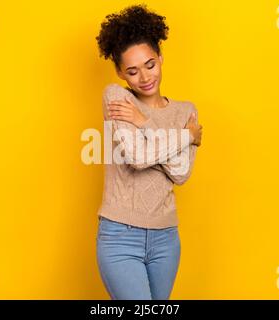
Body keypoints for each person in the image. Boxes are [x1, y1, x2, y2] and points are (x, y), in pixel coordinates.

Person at [95, 4, 203, 300]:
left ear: (161, 58)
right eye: (132, 70)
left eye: (150, 65)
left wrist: (144, 123)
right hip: (120, 237)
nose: (144, 77)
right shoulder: (117, 98)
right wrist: (185, 137)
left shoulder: (185, 111)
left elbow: (180, 174)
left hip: (166, 238)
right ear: (120, 72)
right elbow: (138, 158)